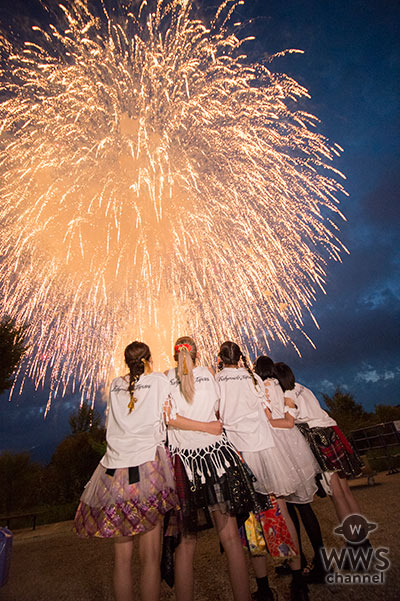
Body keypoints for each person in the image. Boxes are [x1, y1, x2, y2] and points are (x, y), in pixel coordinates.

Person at [74, 341, 180, 601]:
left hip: (114, 471)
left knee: (121, 558)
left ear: (125, 362)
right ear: (149, 359)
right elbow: (171, 411)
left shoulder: (115, 385)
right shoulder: (157, 381)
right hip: (148, 468)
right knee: (151, 556)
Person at [165, 336, 263, 601]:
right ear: (196, 354)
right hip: (217, 459)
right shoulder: (209, 373)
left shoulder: (165, 379)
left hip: (184, 464)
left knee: (186, 544)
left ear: (175, 356)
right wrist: (207, 426)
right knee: (230, 537)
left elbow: (169, 418)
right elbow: (218, 413)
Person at [216, 342, 309, 601]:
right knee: (281, 510)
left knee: (251, 521)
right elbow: (266, 412)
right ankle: (298, 580)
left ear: (220, 359)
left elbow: (218, 415)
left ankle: (264, 588)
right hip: (266, 449)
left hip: (241, 453)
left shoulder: (218, 380)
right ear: (240, 358)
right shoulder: (253, 377)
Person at [254, 356, 326, 583]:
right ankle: (321, 561)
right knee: (305, 509)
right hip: (296, 449)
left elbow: (268, 419)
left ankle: (298, 560)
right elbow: (290, 420)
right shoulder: (285, 388)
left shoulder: (259, 391)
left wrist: (267, 422)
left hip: (278, 451)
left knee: (287, 511)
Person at [274, 362, 363, 525]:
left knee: (336, 493)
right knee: (346, 490)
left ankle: (354, 541)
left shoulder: (288, 396)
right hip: (332, 430)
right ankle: (363, 537)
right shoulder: (302, 387)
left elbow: (289, 421)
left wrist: (268, 421)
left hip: (319, 438)